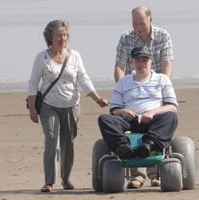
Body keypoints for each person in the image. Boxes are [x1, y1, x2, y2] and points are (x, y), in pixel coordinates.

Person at [28, 19, 108, 192]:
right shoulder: (41, 57)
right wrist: (33, 109)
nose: (63, 38)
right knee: (51, 141)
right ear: (50, 37)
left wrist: (97, 99)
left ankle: (65, 179)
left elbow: (83, 79)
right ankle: (49, 181)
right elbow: (33, 84)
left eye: (65, 35)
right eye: (59, 35)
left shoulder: (75, 56)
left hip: (72, 105)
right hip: (49, 105)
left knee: (68, 142)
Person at [99, 46, 178, 189]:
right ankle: (122, 147)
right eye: (138, 60)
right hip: (130, 121)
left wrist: (152, 112)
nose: (142, 64)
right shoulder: (123, 82)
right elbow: (114, 109)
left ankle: (149, 145)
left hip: (154, 121)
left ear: (151, 60)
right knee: (105, 119)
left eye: (145, 60)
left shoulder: (162, 79)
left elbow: (172, 106)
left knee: (171, 116)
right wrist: (123, 112)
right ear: (132, 62)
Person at [114, 5, 174, 188]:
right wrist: (124, 88)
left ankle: (155, 173)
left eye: (141, 23)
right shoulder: (126, 38)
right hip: (132, 88)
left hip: (155, 88)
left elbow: (166, 65)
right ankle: (137, 175)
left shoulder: (163, 36)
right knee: (131, 128)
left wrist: (161, 88)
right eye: (135, 24)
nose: (138, 27)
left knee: (161, 120)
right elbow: (119, 66)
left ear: (150, 20)